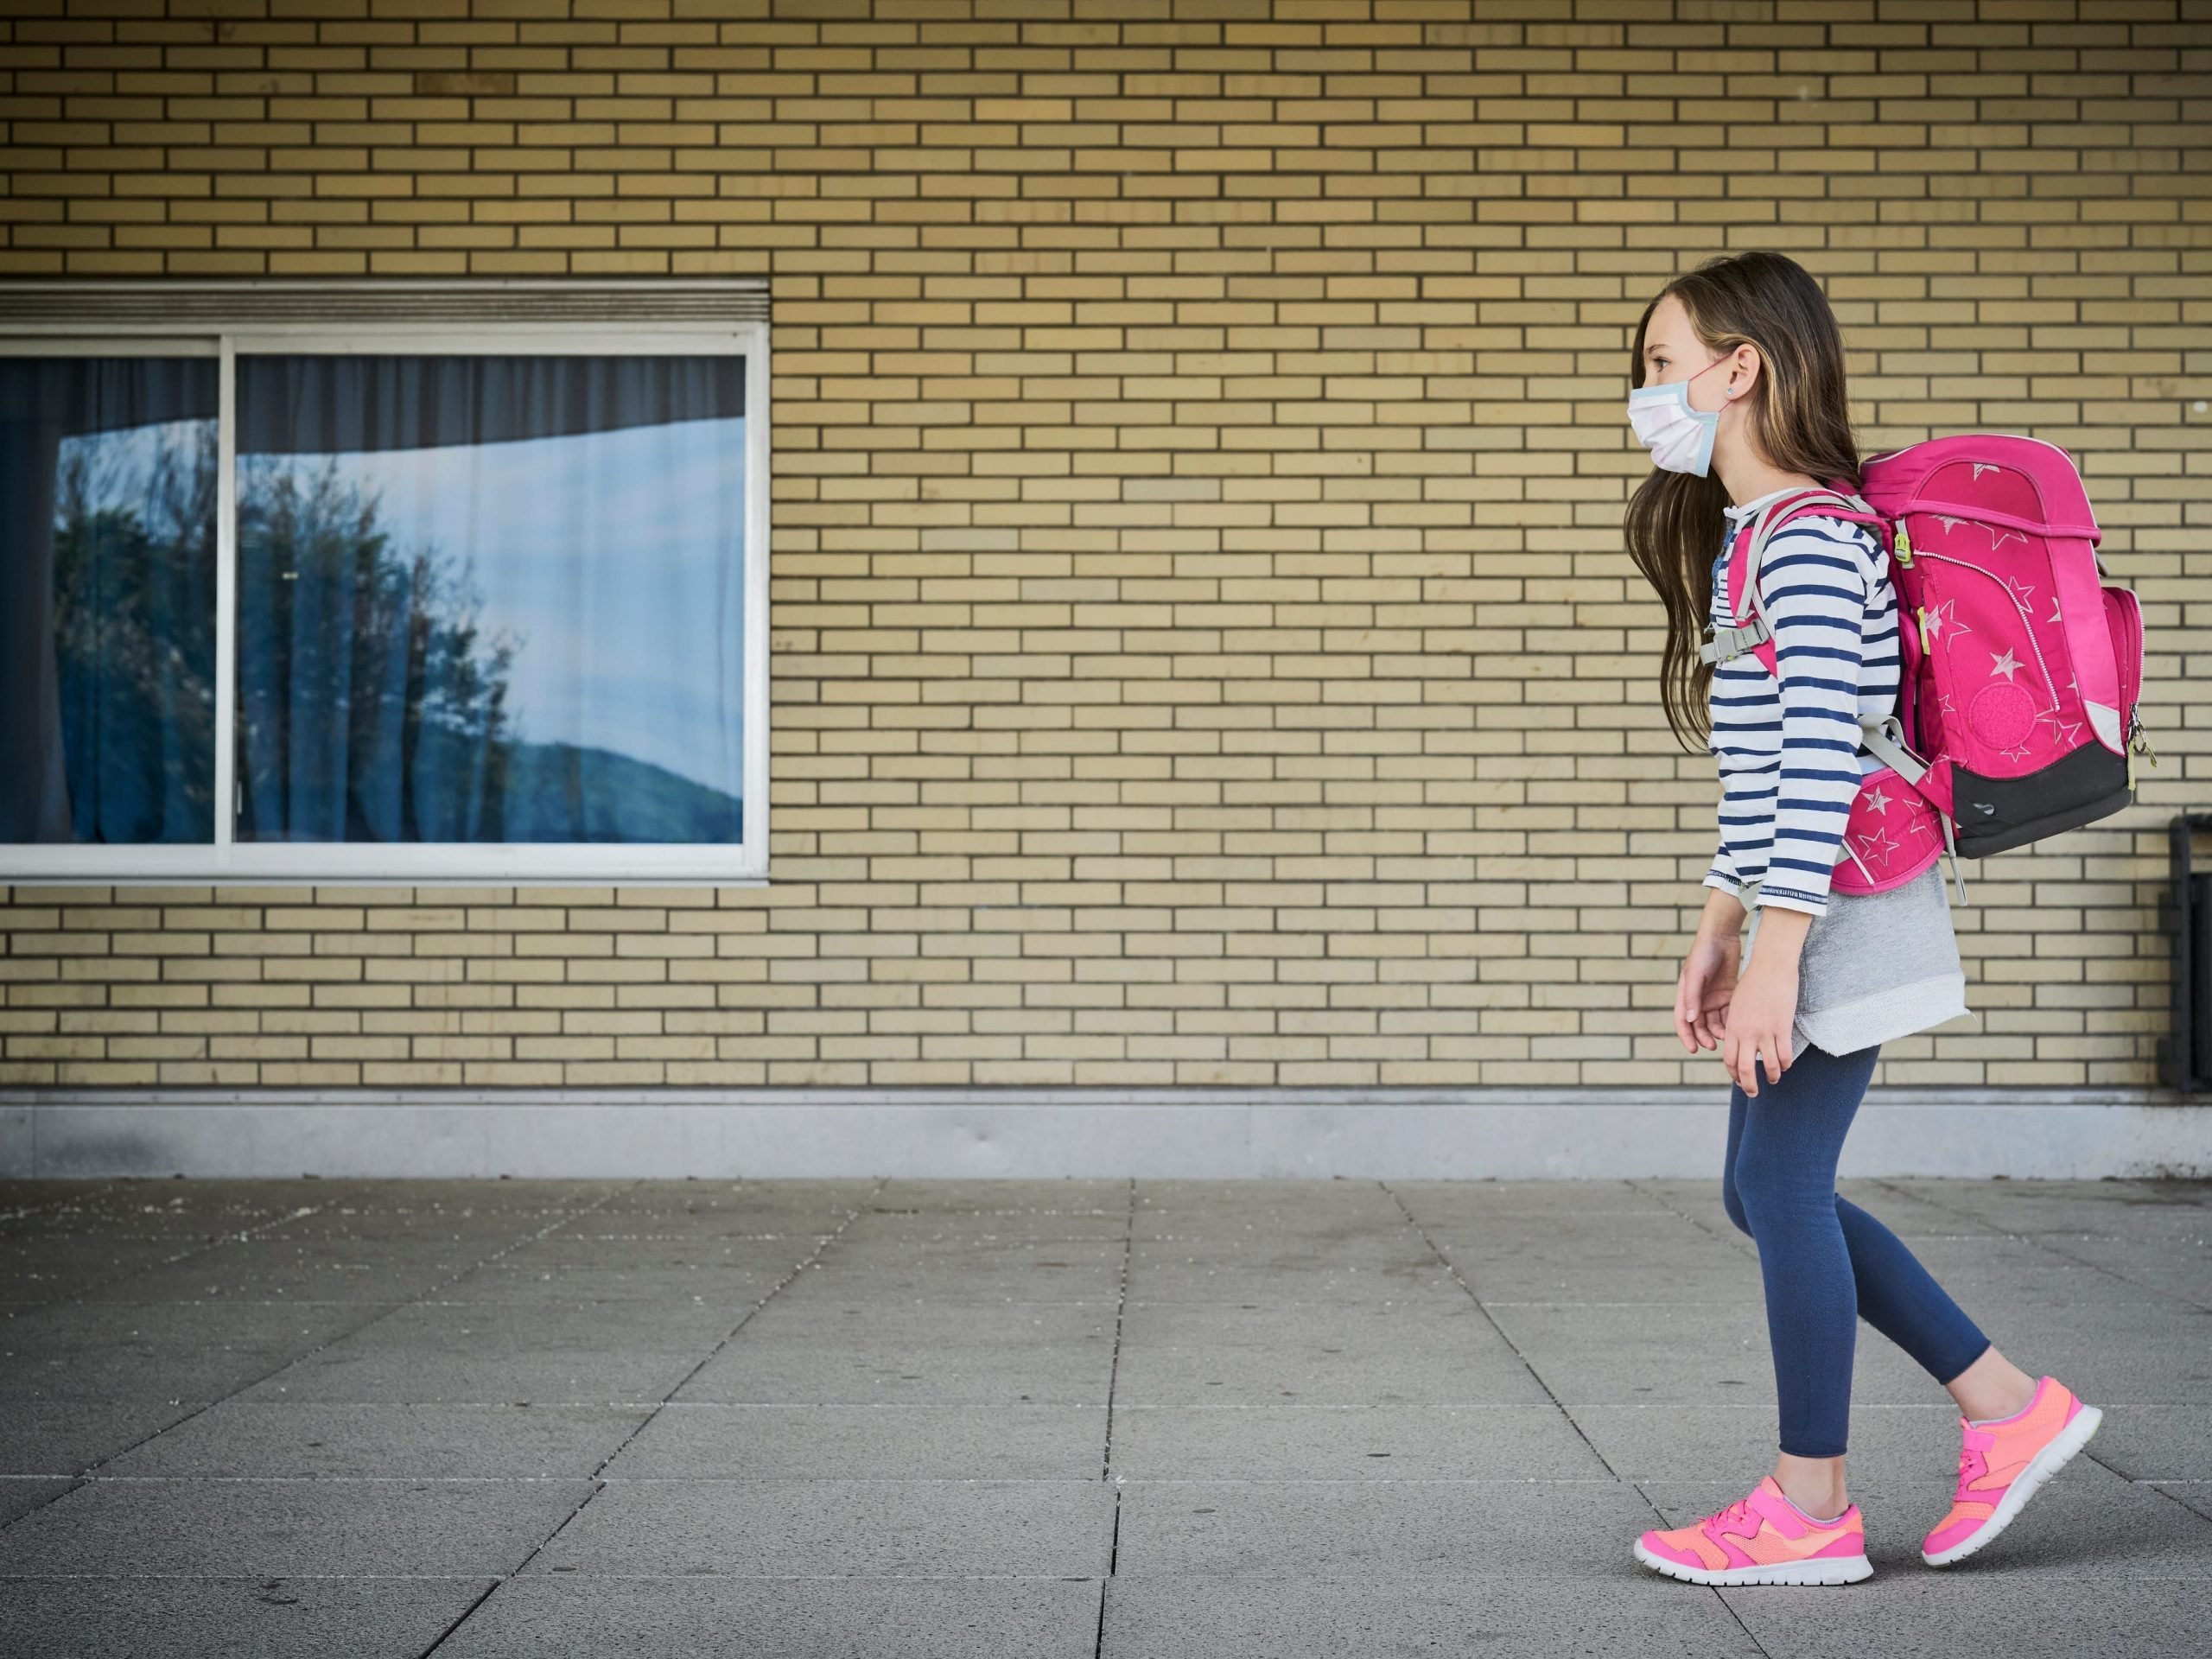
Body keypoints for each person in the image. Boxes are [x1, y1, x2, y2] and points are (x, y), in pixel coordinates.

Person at [1618, 251, 2103, 1586]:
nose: (1647, 392)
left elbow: (1828, 757)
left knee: (1778, 1189)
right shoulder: (1757, 544)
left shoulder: (1817, 539)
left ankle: (1811, 1504)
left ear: (1740, 369)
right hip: (1798, 909)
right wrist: (1716, 927)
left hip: (1842, 912)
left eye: (1663, 363)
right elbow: (1765, 766)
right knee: (1762, 1190)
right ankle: (2011, 1409)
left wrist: (1774, 957)